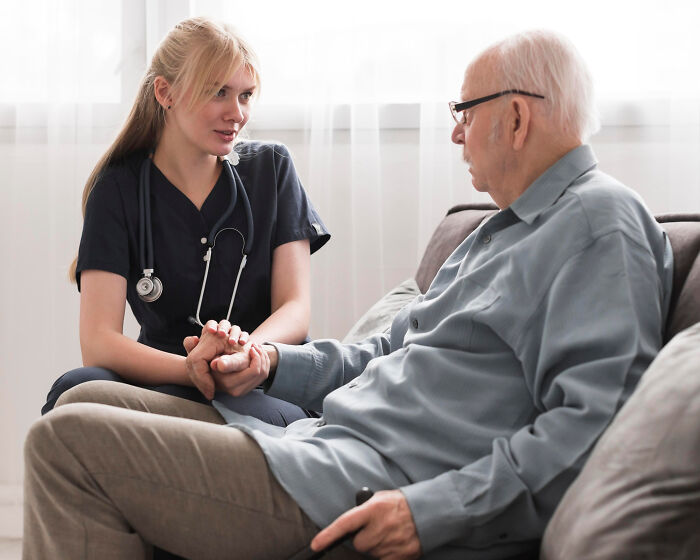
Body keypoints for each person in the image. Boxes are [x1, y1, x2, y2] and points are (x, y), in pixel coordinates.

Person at [26, 30, 674, 559]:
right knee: (82, 397)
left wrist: (430, 511)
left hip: (358, 481)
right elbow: (378, 351)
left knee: (65, 445)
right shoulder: (493, 235)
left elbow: (586, 429)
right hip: (321, 444)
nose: (455, 134)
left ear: (515, 116)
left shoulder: (599, 224)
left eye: (464, 113)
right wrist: (269, 363)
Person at [40, 17, 330, 426]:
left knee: (245, 416)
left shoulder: (272, 169)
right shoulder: (118, 189)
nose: (237, 113)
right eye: (219, 93)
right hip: (162, 376)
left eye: (246, 95)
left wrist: (242, 353)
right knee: (78, 389)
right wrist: (190, 368)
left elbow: (295, 308)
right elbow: (98, 342)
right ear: (165, 93)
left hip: (258, 376)